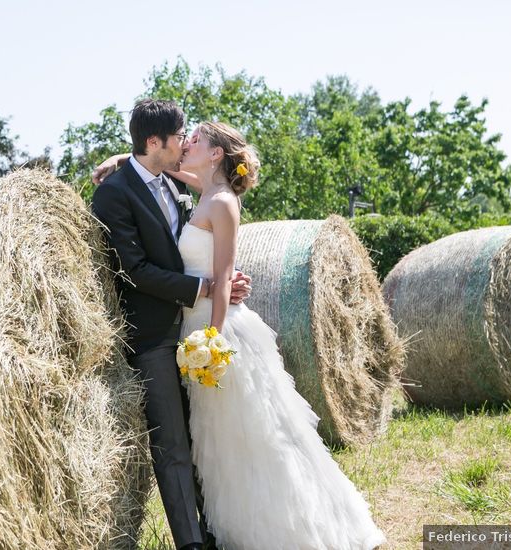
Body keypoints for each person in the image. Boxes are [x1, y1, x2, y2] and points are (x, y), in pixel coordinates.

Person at [96, 121, 387, 549]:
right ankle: (222, 533)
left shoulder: (221, 202)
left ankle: (289, 528)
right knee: (216, 441)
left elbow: (224, 271)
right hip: (187, 326)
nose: (188, 143)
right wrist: (123, 158)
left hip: (214, 330)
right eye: (183, 138)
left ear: (215, 153)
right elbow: (153, 171)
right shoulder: (195, 190)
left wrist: (213, 335)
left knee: (256, 435)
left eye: (196, 139)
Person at [90, 100, 251, 550]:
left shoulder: (179, 187)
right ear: (155, 142)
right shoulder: (114, 194)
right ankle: (192, 543)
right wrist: (204, 286)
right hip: (153, 337)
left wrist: (222, 283)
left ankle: (217, 531)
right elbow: (134, 269)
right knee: (173, 446)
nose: (186, 142)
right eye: (181, 136)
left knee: (202, 440)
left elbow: (196, 245)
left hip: (191, 330)